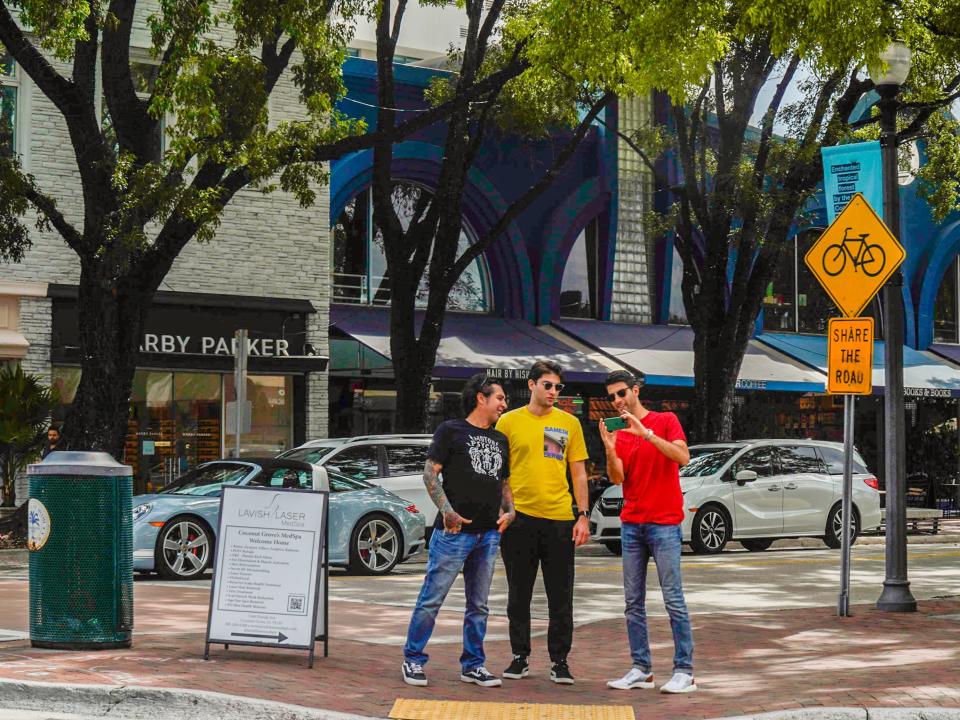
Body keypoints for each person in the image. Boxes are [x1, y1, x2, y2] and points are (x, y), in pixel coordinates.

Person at [401, 374, 514, 688]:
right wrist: (446, 510)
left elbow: (504, 482)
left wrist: (511, 510)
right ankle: (412, 658)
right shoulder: (450, 431)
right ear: (482, 397)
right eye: (500, 398)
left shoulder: (500, 439)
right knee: (431, 599)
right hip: (453, 533)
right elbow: (430, 473)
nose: (504, 404)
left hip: (489, 533)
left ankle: (473, 665)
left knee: (479, 605)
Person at [598, 370, 697, 694]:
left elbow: (682, 457)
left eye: (621, 393)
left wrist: (647, 434)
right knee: (632, 602)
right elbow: (616, 479)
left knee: (673, 599)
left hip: (664, 523)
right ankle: (641, 668)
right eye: (611, 396)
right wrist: (611, 449)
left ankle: (685, 671)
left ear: (636, 390)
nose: (617, 401)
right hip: (632, 524)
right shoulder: (620, 434)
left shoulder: (665, 420)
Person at [496, 360, 590, 685]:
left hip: (560, 521)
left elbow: (578, 472)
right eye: (547, 385)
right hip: (519, 521)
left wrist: (583, 515)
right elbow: (501, 473)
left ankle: (560, 660)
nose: (553, 392)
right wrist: (506, 509)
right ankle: (519, 656)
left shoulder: (567, 424)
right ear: (532, 384)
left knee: (561, 597)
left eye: (557, 387)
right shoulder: (508, 423)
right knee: (518, 594)